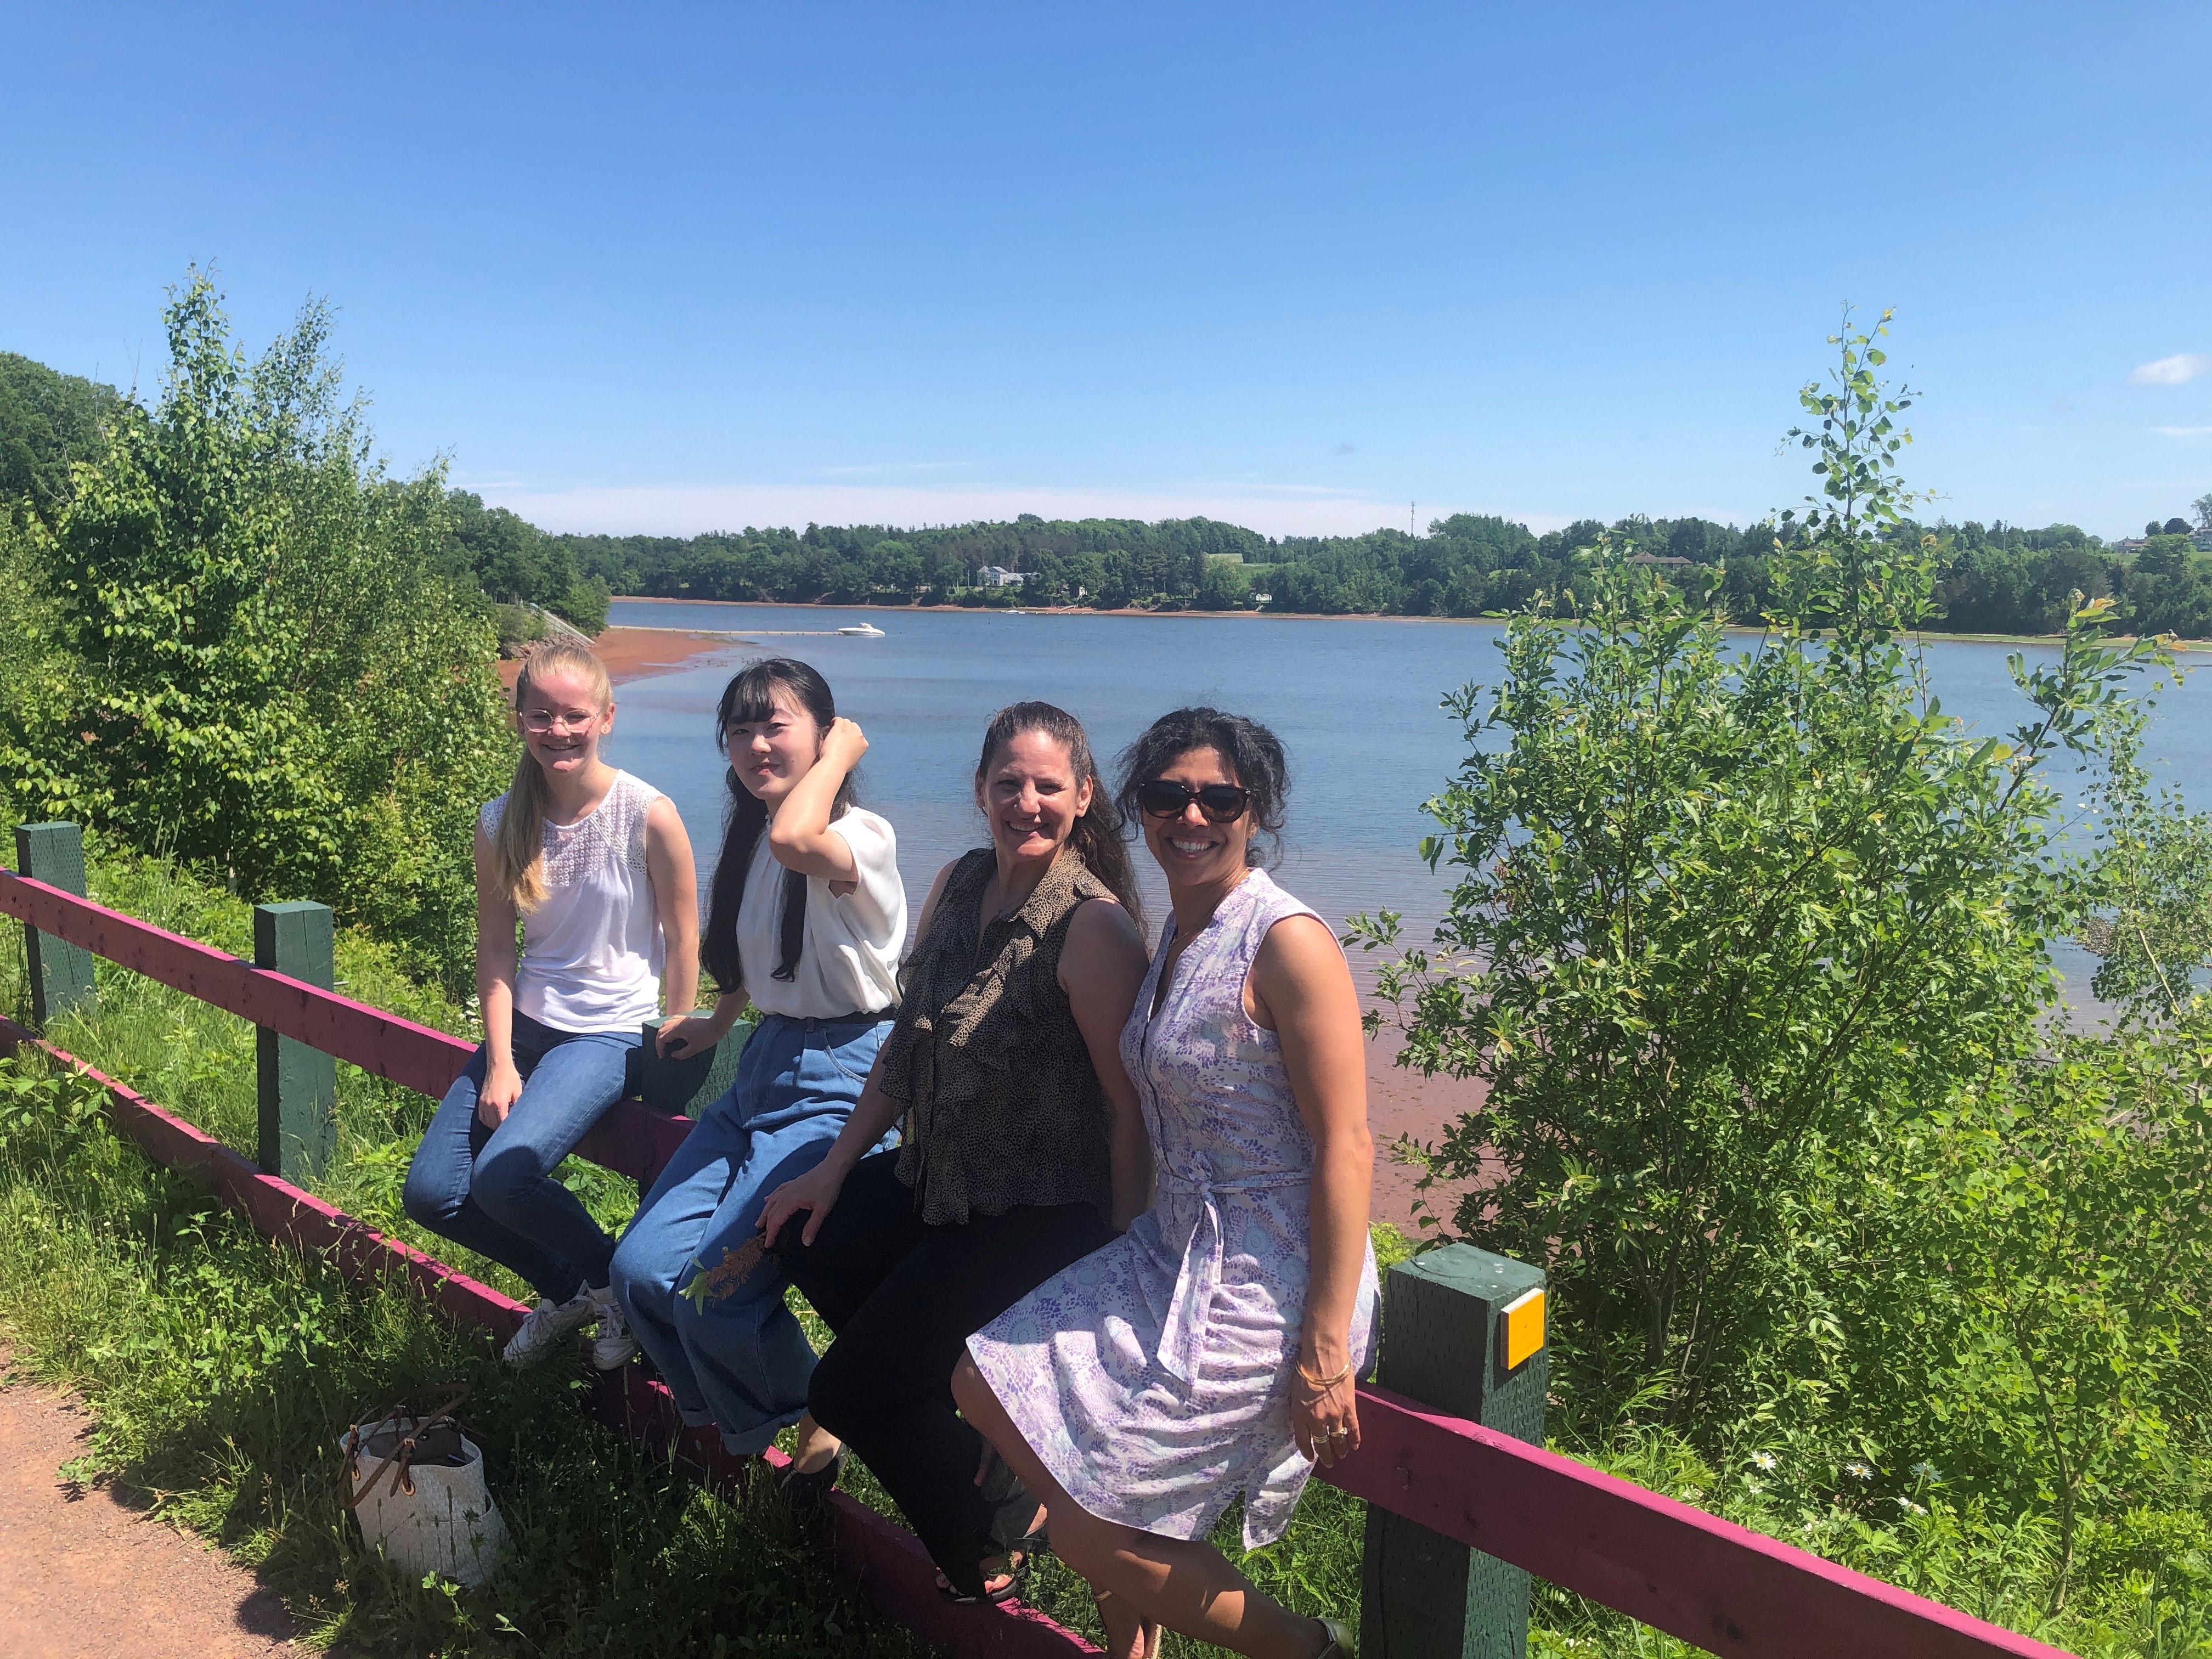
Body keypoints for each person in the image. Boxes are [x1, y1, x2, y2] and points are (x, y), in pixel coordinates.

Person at [951, 707, 1375, 1659]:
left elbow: (1348, 1145)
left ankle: (1309, 1649)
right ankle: (1137, 1596)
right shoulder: (1178, 938)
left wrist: (1325, 1341)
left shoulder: (1286, 941)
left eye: (1218, 798)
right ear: (1136, 808)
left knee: (1081, 1529)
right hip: (1174, 1242)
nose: (1192, 816)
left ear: (1256, 811)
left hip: (1273, 1275)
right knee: (979, 1381)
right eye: (1167, 796)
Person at [757, 701, 1152, 1604]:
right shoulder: (958, 883)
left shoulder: (1091, 928)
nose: (1027, 802)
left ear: (1083, 796)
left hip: (1038, 1214)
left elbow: (1131, 1112)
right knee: (805, 1236)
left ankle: (983, 1548)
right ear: (980, 790)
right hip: (940, 1185)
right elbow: (907, 1046)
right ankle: (987, 1445)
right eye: (1008, 783)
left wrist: (1127, 1251)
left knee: (853, 1389)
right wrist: (829, 1169)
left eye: (1048, 785)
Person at [608, 659, 904, 1497]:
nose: (754, 744)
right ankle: (751, 1430)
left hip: (843, 1074)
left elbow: (798, 843)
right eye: (738, 729)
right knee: (641, 1275)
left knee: (713, 1298)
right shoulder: (756, 837)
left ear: (825, 729)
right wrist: (719, 1019)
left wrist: (841, 756)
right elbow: (768, 945)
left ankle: (822, 1414)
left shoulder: (861, 836)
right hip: (765, 1061)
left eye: (776, 724)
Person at [404, 641, 699, 1370]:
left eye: (575, 716)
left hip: (608, 1034)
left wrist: (675, 1029)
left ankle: (615, 1290)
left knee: (504, 1176)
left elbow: (685, 938)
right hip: (528, 1027)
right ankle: (580, 1287)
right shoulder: (501, 821)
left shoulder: (648, 813)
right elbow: (498, 950)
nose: (558, 731)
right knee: (433, 1194)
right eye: (541, 715)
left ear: (607, 717)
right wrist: (501, 1061)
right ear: (520, 720)